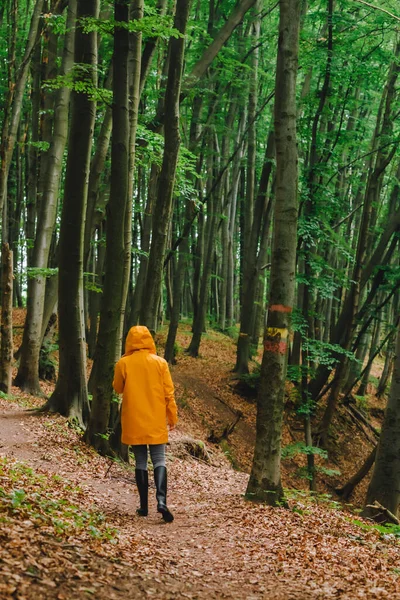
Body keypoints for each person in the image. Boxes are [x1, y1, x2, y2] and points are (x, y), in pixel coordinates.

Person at [113, 325, 178, 523]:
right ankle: (161, 501)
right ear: (149, 340)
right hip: (156, 419)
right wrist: (172, 417)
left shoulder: (123, 364)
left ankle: (143, 507)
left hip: (134, 419)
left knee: (140, 461)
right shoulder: (160, 363)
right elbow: (169, 393)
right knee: (159, 459)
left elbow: (117, 388)